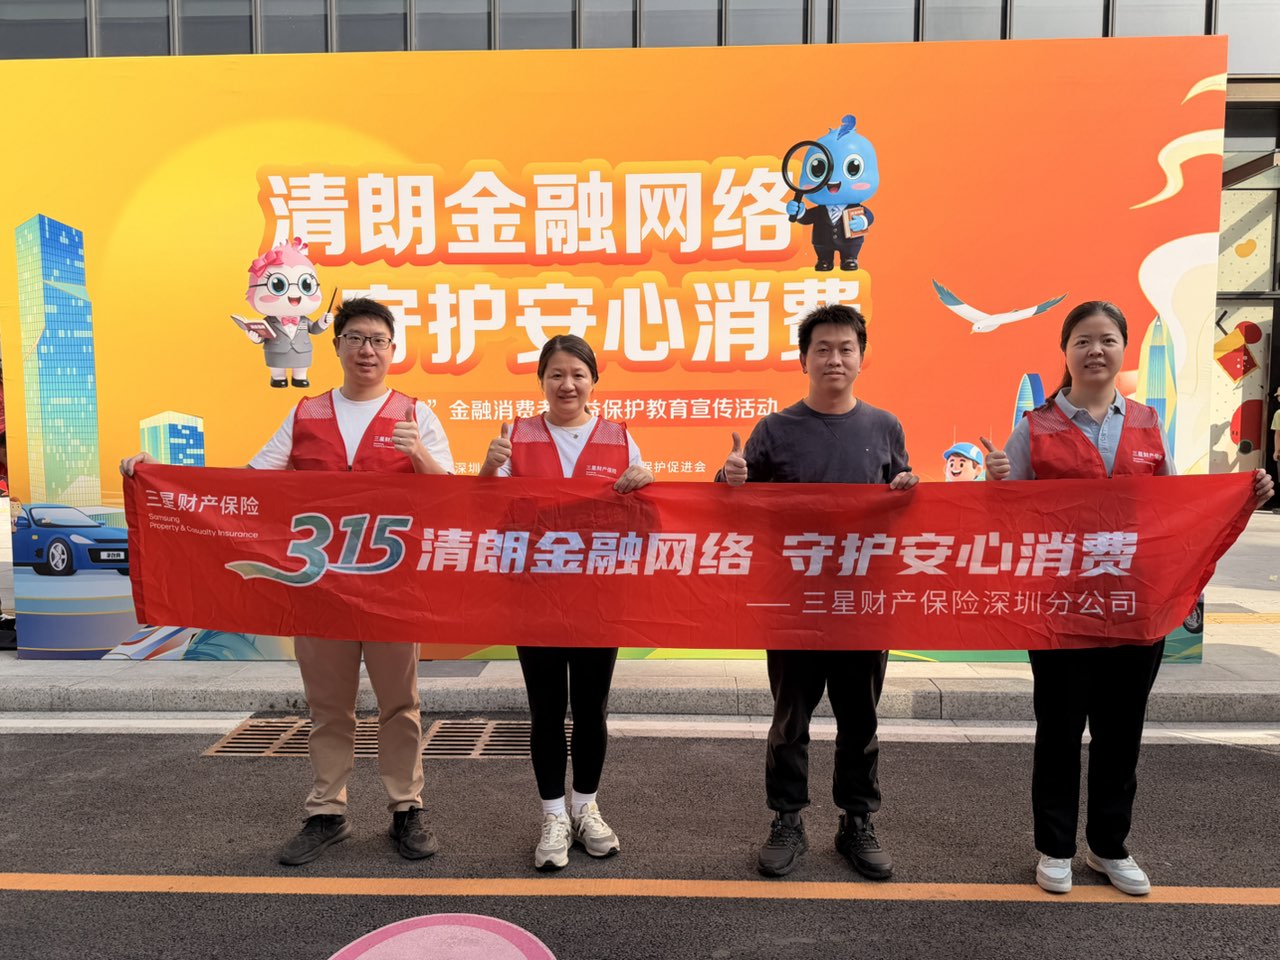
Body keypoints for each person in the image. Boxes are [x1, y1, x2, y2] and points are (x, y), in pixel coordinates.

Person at [122, 297, 455, 866]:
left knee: (400, 704)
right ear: (337, 346)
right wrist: (156, 476)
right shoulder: (306, 415)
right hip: (318, 587)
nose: (367, 350)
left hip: (390, 588)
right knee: (329, 707)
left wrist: (419, 454)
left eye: (378, 340)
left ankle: (407, 808)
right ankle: (326, 811)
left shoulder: (414, 415)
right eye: (356, 338)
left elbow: (450, 496)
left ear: (393, 349)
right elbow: (247, 485)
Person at [984, 300, 1274, 897]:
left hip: (1132, 606)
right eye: (1083, 340)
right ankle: (1055, 848)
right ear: (1065, 351)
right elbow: (1005, 515)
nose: (1096, 350)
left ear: (1123, 349)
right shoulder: (1034, 428)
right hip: (1061, 608)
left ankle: (1108, 847)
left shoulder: (1146, 423)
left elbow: (1172, 509)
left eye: (1108, 339)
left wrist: (1245, 492)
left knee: (1121, 733)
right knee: (1060, 730)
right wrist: (998, 482)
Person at [718, 303, 917, 880]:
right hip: (794, 603)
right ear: (803, 359)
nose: (834, 358)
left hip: (861, 603)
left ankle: (857, 821)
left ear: (861, 357)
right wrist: (730, 478)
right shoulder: (774, 430)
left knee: (861, 721)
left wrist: (909, 489)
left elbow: (900, 509)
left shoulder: (885, 427)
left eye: (845, 348)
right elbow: (731, 505)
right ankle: (787, 820)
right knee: (790, 720)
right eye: (822, 348)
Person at [478, 334, 653, 872]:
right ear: (542, 382)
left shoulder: (620, 438)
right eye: (556, 374)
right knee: (547, 710)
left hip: (599, 600)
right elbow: (485, 514)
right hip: (536, 599)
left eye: (578, 374)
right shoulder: (516, 438)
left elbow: (647, 523)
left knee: (592, 710)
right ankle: (553, 816)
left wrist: (647, 486)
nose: (567, 384)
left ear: (593, 381)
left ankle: (586, 808)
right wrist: (487, 470)